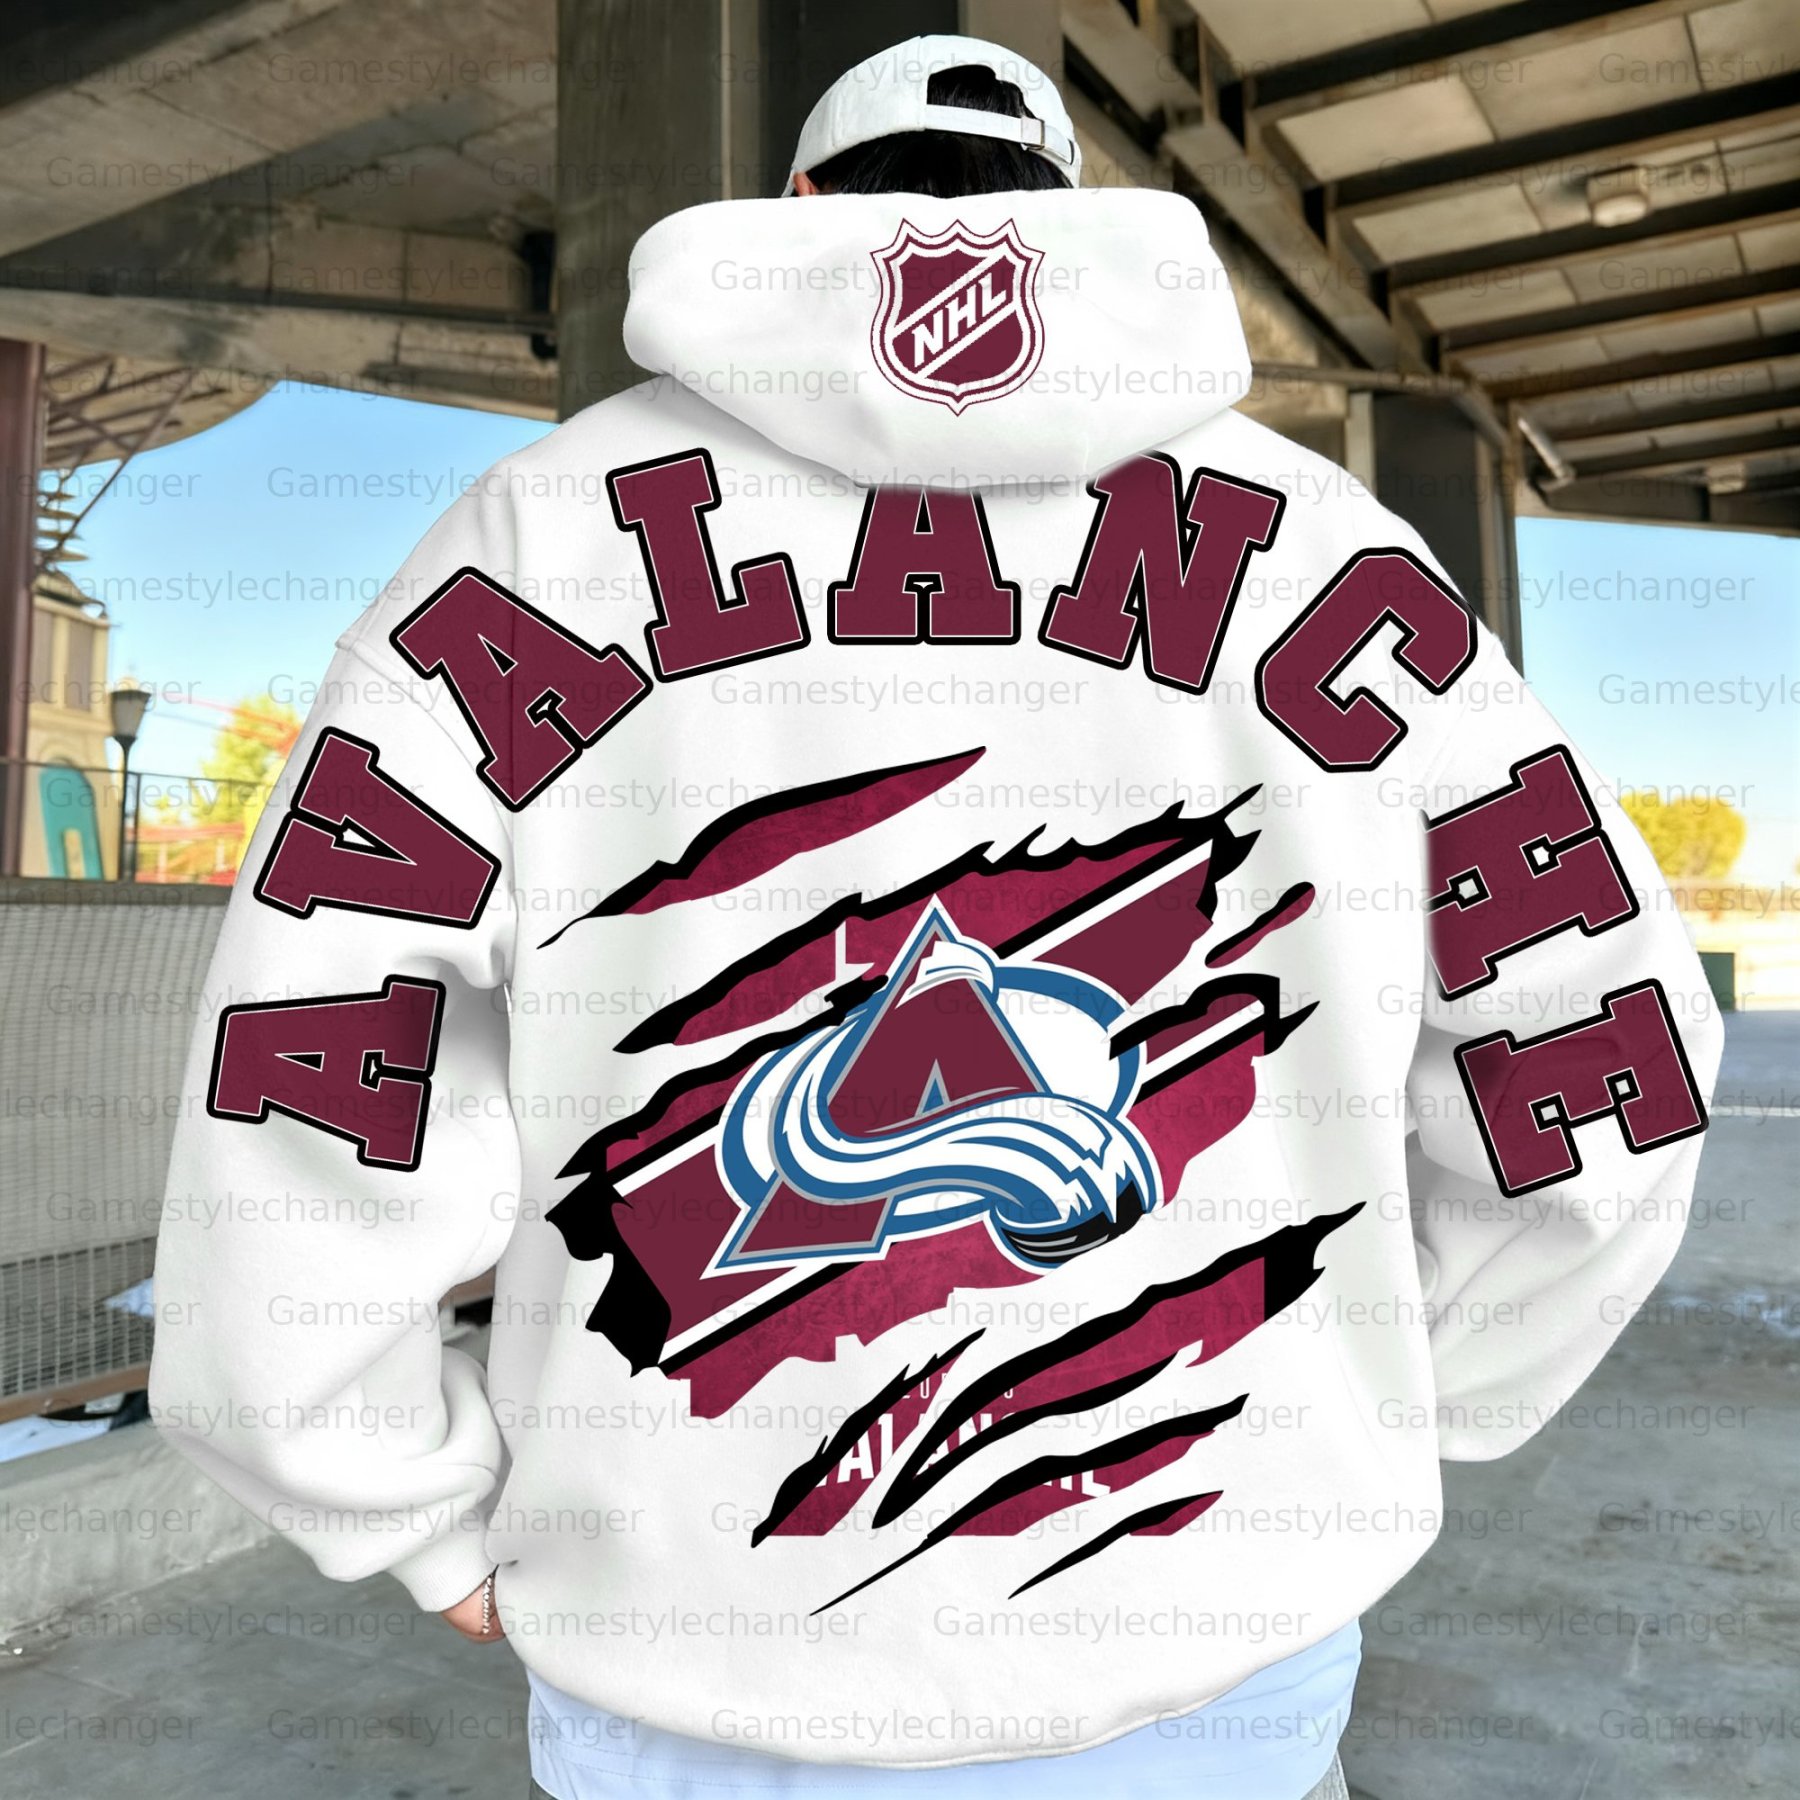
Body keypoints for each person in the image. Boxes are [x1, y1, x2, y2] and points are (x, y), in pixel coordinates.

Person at [150, 33, 1722, 1800]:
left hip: (692, 1675)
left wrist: (387, 1488)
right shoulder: (1326, 548)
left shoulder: (537, 534)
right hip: (1218, 1655)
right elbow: (1599, 1038)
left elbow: (320, 1032)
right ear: (1067, 218)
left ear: (798, 205)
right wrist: (1406, 1393)